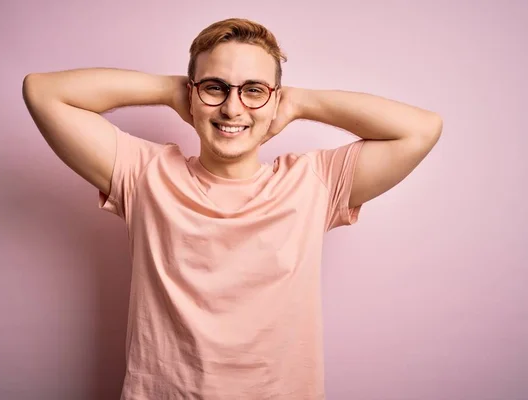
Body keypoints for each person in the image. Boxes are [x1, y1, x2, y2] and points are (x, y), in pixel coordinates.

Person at [22, 17, 442, 400]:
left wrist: (299, 102)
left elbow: (421, 129)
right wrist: (170, 92)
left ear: (273, 98)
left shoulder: (314, 183)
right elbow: (42, 92)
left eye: (254, 90)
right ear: (194, 94)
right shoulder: (145, 175)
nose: (233, 107)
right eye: (214, 87)